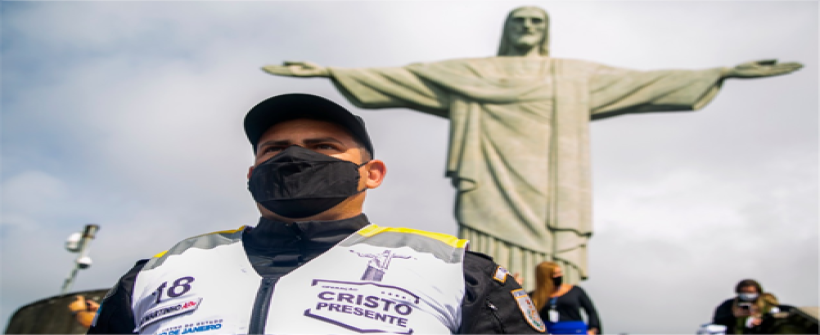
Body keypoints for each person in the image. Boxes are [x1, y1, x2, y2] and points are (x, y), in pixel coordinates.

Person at [261, 6, 803, 289]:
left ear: (545, 31)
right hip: (490, 172)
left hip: (551, 176)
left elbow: (646, 83)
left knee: (551, 251)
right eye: (518, 19)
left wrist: (723, 72)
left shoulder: (573, 75)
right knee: (489, 246)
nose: (526, 26)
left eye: (535, 21)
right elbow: (407, 79)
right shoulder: (474, 72)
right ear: (507, 30)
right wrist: (331, 71)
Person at [87, 93, 547, 334]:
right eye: (276, 149)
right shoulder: (157, 273)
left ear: (371, 173)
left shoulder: (457, 271)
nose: (294, 158)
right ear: (252, 172)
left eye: (322, 147)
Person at [530, 262, 600, 335]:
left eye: (560, 272)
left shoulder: (575, 291)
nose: (560, 275)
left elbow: (591, 311)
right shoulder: (533, 296)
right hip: (549, 331)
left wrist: (593, 330)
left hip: (576, 331)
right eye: (555, 274)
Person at [712, 279, 780, 334]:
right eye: (744, 292)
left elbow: (782, 316)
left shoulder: (768, 304)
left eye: (751, 292)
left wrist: (762, 320)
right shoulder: (729, 304)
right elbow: (717, 320)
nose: (747, 295)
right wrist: (734, 316)